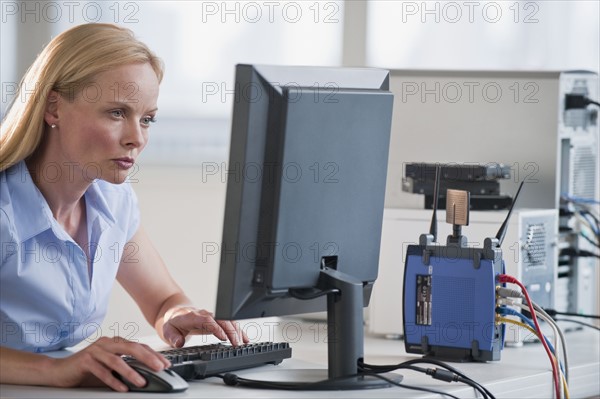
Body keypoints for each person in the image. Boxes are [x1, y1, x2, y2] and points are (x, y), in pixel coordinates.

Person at [0, 23, 247, 392]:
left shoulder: (113, 201)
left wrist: (176, 316)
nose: (137, 137)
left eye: (147, 118)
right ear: (54, 107)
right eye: (117, 113)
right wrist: (55, 370)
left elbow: (163, 299)